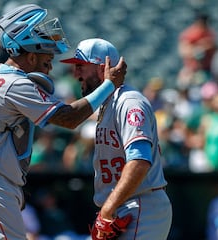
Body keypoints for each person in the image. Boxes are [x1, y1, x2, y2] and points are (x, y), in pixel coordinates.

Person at [0, 4, 126, 240]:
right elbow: (68, 118)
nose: (50, 66)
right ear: (30, 56)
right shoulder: (14, 83)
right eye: (46, 58)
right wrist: (109, 85)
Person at [60, 38, 172, 239]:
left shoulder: (129, 102)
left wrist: (107, 209)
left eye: (81, 66)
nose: (75, 74)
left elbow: (139, 161)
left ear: (103, 67)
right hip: (124, 204)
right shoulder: (107, 103)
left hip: (141, 205)